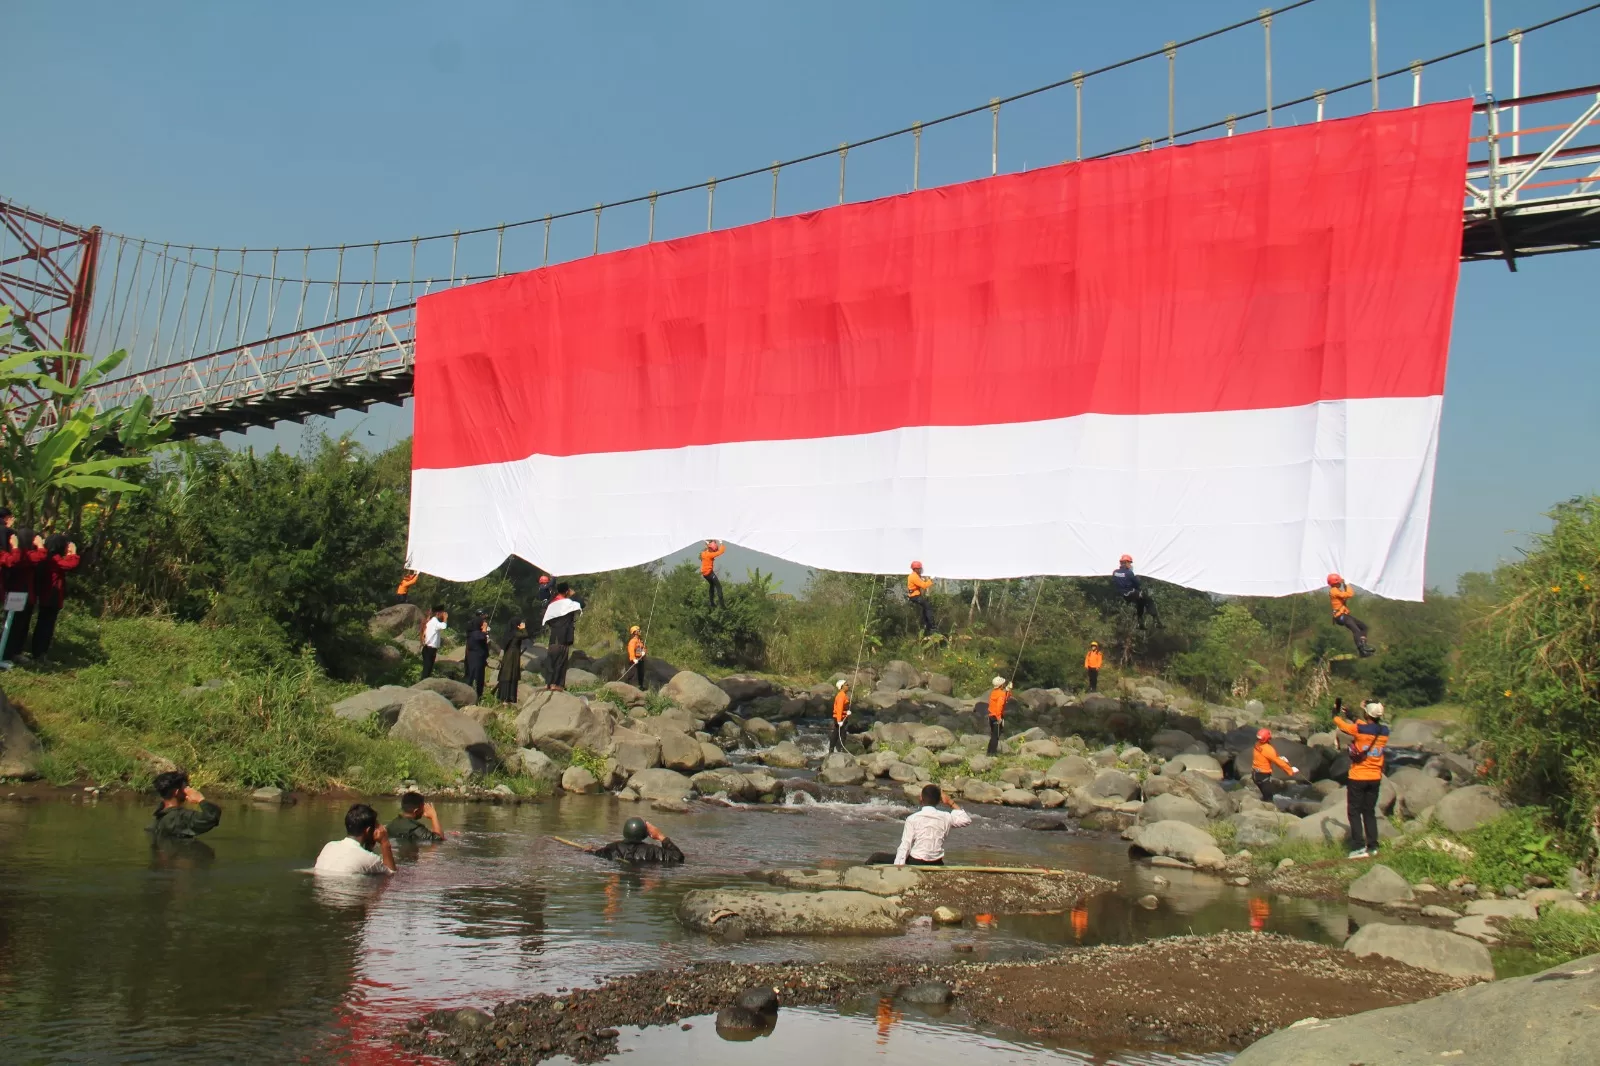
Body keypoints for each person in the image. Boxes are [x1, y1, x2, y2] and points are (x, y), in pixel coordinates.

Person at [1333, 698, 1389, 859]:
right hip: (1375, 777)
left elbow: (1343, 726)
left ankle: (1358, 846)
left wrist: (1335, 714)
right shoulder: (1384, 731)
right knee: (1369, 812)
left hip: (1358, 777)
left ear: (1367, 714)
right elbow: (1364, 724)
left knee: (1354, 812)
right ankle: (1373, 846)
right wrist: (1352, 713)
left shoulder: (1359, 729)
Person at [894, 784, 972, 866]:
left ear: (921, 798)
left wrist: (898, 866)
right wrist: (950, 802)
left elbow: (905, 846)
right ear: (939, 800)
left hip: (916, 862)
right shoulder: (946, 817)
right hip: (937, 862)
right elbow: (966, 819)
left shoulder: (912, 818)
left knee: (881, 857)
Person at [30, 533, 80, 660]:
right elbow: (69, 565)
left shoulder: (46, 555)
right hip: (51, 595)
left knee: (43, 623)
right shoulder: (53, 558)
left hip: (45, 593)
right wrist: (72, 553)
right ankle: (40, 652)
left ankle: (39, 651)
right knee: (46, 625)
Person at [315, 803, 396, 875]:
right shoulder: (369, 859)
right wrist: (385, 842)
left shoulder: (329, 846)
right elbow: (391, 874)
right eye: (376, 827)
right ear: (368, 831)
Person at [1, 528, 44, 661]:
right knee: (12, 625)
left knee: (19, 625)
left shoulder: (20, 553)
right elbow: (39, 557)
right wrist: (41, 547)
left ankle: (12, 651)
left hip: (23, 594)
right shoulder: (22, 554)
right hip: (17, 593)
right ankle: (7, 653)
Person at [147, 770, 222, 840]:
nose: (189, 789)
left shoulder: (158, 817)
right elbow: (211, 817)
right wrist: (200, 799)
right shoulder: (181, 817)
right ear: (177, 792)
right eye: (186, 787)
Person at [590, 817, 685, 864]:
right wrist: (660, 836)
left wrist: (589, 850)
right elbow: (678, 858)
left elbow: (594, 854)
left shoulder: (611, 848)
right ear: (644, 834)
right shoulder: (653, 851)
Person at [542, 583, 582, 690]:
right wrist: (575, 595)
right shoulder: (568, 604)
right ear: (567, 591)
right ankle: (557, 684)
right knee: (561, 660)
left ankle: (548, 683)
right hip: (564, 635)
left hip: (554, 634)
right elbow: (581, 604)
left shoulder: (552, 603)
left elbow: (548, 619)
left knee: (551, 660)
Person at [1327, 574, 1374, 657]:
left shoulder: (1336, 590)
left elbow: (1345, 595)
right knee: (1356, 630)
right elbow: (1350, 594)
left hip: (1344, 615)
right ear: (1336, 581)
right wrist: (1347, 584)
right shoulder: (1334, 590)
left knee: (1364, 627)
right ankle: (1361, 650)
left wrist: (1345, 585)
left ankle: (1363, 645)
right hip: (1340, 616)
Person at [1112, 554, 1160, 629]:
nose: (1130, 565)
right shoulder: (1129, 573)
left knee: (1140, 603)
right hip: (1130, 593)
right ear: (1126, 563)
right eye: (1130, 563)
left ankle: (1140, 624)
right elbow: (1138, 584)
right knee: (1148, 601)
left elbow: (1116, 582)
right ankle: (1156, 620)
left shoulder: (1115, 572)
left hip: (1122, 594)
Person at [1250, 728, 1299, 800]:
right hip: (1263, 776)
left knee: (1265, 794)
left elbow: (1266, 755)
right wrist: (1290, 770)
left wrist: (1279, 758)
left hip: (1255, 774)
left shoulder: (1257, 744)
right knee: (1269, 798)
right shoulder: (1268, 749)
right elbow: (1278, 762)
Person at [496, 617, 529, 703]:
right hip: (513, 655)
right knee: (511, 674)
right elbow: (525, 635)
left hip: (508, 655)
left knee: (507, 674)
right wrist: (523, 628)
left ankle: (504, 697)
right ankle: (508, 697)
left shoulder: (509, 633)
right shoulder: (515, 633)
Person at [464, 613, 490, 701]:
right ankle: (474, 697)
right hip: (476, 658)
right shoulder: (475, 634)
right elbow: (482, 637)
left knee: (477, 677)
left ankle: (477, 695)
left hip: (478, 658)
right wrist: (484, 629)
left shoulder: (472, 633)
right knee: (476, 677)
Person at [906, 561, 935, 635]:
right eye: (919, 569)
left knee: (925, 609)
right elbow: (924, 586)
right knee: (928, 607)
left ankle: (927, 625)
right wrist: (931, 580)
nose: (920, 570)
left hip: (914, 596)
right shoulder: (914, 576)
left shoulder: (914, 575)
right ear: (915, 569)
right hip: (915, 596)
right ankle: (932, 626)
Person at [986, 675, 1012, 755]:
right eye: (1003, 684)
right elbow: (999, 706)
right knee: (995, 736)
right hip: (996, 716)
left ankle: (989, 751)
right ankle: (992, 753)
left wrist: (1008, 690)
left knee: (993, 735)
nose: (1004, 684)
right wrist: (999, 718)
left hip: (991, 716)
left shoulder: (994, 692)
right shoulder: (1001, 694)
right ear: (1001, 685)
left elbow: (1005, 698)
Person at [421, 605, 447, 679]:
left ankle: (424, 682)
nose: (443, 615)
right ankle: (423, 684)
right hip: (430, 649)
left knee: (428, 669)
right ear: (438, 613)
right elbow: (444, 626)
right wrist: (445, 619)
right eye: (442, 613)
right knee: (427, 669)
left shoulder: (432, 621)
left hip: (429, 649)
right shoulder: (434, 621)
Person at [700, 540, 726, 609]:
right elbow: (721, 552)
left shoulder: (703, 554)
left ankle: (711, 602)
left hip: (705, 574)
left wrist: (708, 543)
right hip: (709, 573)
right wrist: (721, 543)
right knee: (719, 587)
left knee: (712, 585)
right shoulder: (710, 555)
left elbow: (708, 548)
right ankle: (722, 605)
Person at [831, 678, 852, 753]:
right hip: (839, 718)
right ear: (842, 687)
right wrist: (839, 720)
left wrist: (847, 712)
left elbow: (843, 708)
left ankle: (833, 749)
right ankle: (840, 750)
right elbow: (839, 709)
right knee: (841, 734)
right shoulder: (841, 696)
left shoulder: (843, 695)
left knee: (837, 733)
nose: (848, 686)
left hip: (842, 717)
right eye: (846, 685)